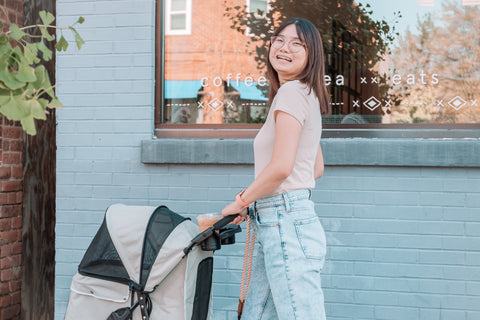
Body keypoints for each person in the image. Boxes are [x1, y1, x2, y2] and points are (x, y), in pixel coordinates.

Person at [221, 17, 331, 320]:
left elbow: (283, 167)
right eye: (280, 39)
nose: (285, 47)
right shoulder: (306, 95)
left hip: (284, 221)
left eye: (298, 43)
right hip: (284, 220)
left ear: (312, 56)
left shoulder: (292, 93)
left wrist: (242, 200)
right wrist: (257, 198)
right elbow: (314, 168)